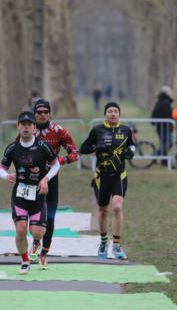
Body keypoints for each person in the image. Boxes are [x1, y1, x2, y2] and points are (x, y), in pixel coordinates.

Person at [0, 111, 60, 274]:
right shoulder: (12, 148)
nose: (26, 128)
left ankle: (36, 241)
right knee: (20, 230)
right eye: (23, 125)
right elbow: (2, 169)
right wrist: (7, 175)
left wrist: (46, 179)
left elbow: (56, 165)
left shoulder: (43, 146)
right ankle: (25, 261)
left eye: (29, 125)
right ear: (18, 127)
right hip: (19, 194)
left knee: (37, 232)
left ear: (34, 127)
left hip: (38, 195)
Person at [27, 99, 79, 269]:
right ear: (34, 113)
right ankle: (35, 241)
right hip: (31, 179)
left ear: (49, 114)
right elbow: (17, 150)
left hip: (51, 178)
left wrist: (60, 161)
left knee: (49, 218)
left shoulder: (58, 131)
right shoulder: (27, 130)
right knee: (32, 216)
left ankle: (44, 253)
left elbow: (75, 153)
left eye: (45, 112)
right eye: (39, 112)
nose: (42, 115)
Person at [80, 102, 134, 259]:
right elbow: (83, 148)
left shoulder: (125, 130)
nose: (113, 114)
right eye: (110, 111)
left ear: (119, 114)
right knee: (103, 210)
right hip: (101, 178)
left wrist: (130, 154)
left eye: (115, 111)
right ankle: (104, 240)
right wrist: (96, 148)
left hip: (119, 176)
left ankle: (116, 245)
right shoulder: (97, 130)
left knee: (117, 207)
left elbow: (132, 146)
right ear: (105, 114)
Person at [151, 86, 174, 166]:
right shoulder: (166, 103)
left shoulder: (159, 102)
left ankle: (163, 161)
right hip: (164, 127)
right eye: (170, 92)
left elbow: (153, 114)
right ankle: (155, 155)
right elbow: (167, 116)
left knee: (164, 143)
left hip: (161, 127)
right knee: (168, 143)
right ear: (167, 93)